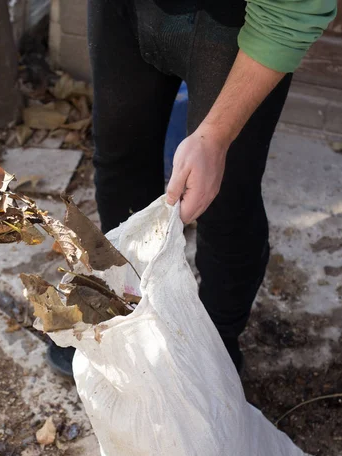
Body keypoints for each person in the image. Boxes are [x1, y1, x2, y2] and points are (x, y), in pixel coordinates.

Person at [47, 0, 336, 377]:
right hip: (123, 11)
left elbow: (292, 12)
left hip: (234, 19)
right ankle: (127, 321)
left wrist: (214, 137)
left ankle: (215, 350)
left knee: (225, 197)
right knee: (119, 164)